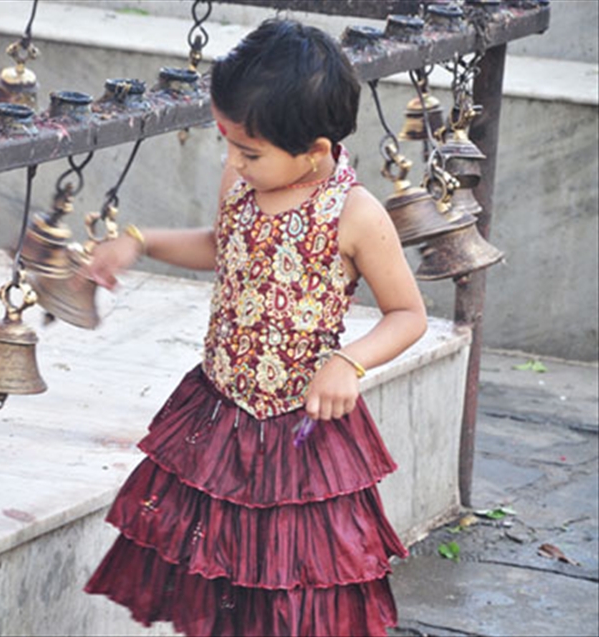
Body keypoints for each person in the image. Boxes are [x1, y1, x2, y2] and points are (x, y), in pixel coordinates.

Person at [82, 17, 428, 637]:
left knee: (296, 585)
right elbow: (223, 246)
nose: (234, 162)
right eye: (229, 144)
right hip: (221, 412)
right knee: (218, 573)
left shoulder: (355, 214)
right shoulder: (243, 182)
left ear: (316, 151)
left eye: (249, 151)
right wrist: (138, 242)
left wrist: (348, 362)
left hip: (303, 431)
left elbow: (408, 315)